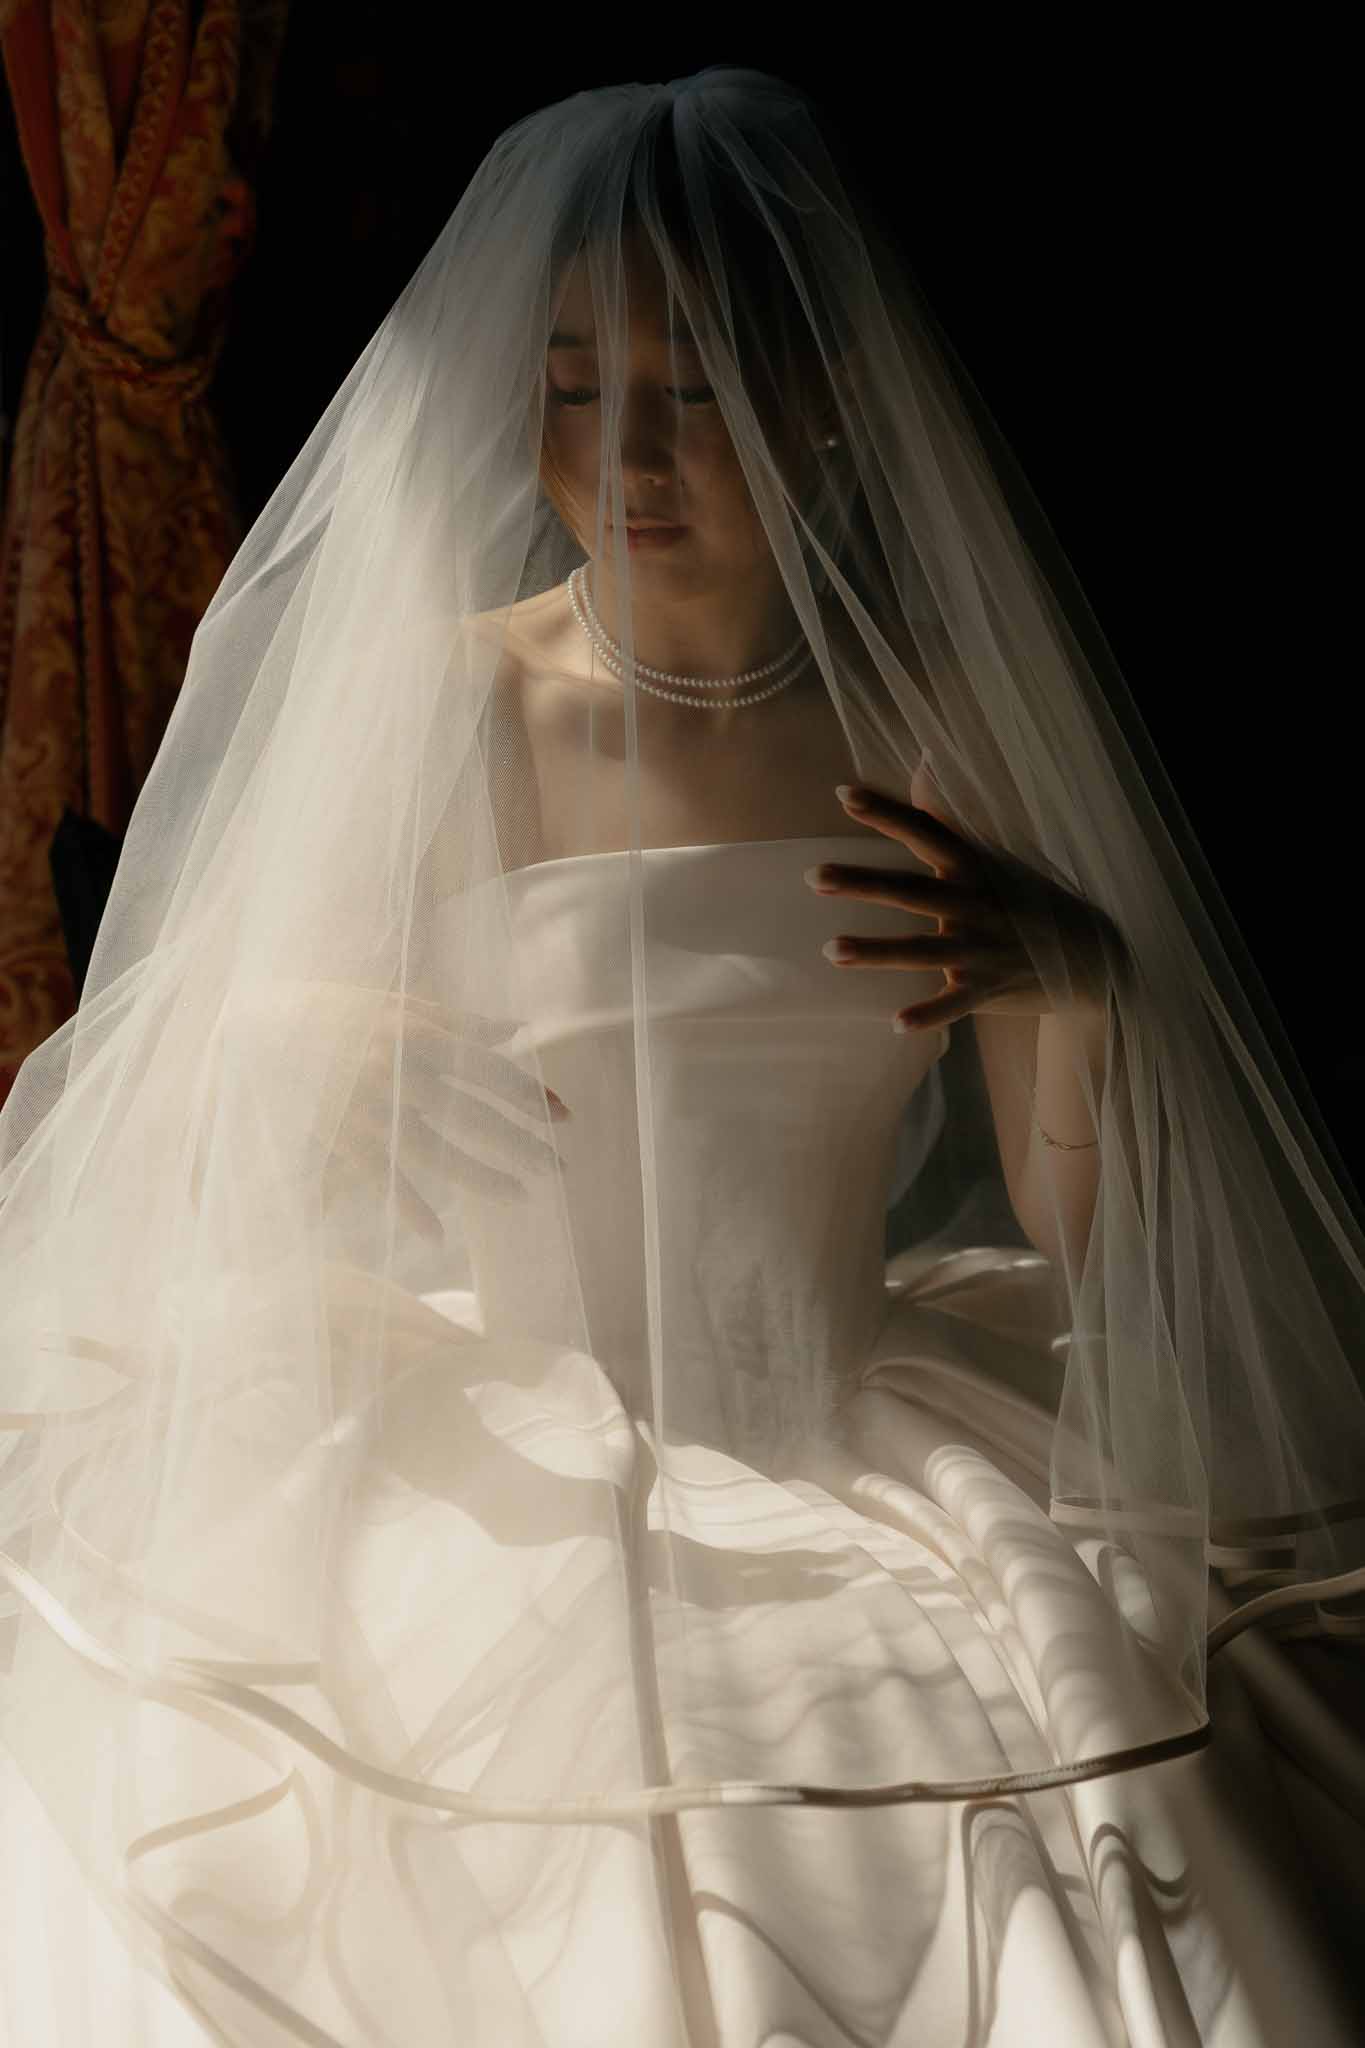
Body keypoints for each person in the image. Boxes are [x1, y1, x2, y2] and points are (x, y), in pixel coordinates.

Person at [1, 67, 1363, 2046]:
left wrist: (1076, 990)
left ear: (823, 404)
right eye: (571, 391)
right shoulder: (461, 699)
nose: (622, 457)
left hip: (853, 1423)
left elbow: (1076, 1234)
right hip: (498, 1452)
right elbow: (209, 1128)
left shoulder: (930, 732)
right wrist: (290, 1046)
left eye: (693, 394)